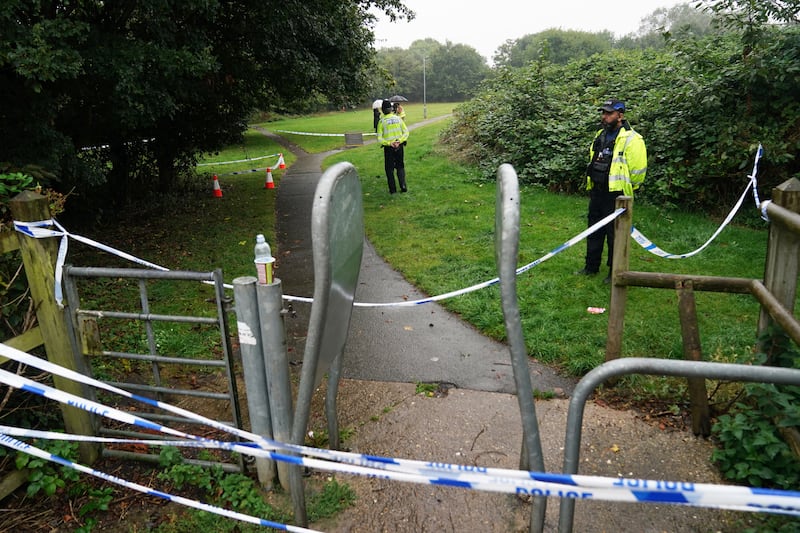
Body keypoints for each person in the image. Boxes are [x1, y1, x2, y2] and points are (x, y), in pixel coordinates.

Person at [575, 98, 647, 283]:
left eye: (609, 113)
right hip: (597, 191)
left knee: (615, 235)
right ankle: (591, 267)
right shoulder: (600, 134)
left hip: (616, 195)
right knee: (594, 231)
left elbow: (638, 170)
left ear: (620, 115)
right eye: (603, 113)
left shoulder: (633, 138)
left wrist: (628, 190)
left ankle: (614, 272)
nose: (604, 116)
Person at [377, 99, 409, 194]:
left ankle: (393, 189)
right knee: (400, 166)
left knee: (389, 169)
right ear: (391, 109)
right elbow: (406, 132)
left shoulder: (382, 121)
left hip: (389, 148)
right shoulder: (398, 119)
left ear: (382, 110)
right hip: (399, 146)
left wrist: (389, 143)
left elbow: (379, 138)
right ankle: (403, 186)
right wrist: (399, 141)